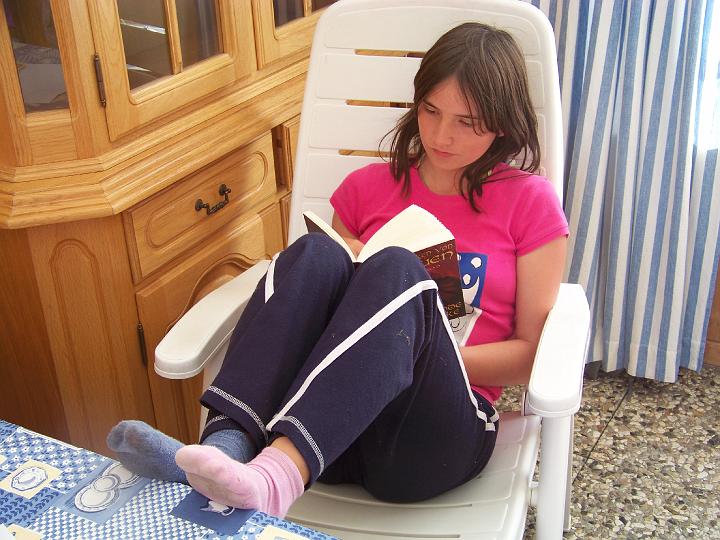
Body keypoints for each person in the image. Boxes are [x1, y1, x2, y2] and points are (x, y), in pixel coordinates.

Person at [107, 22, 568, 519]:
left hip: (431, 438)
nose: (441, 135)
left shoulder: (529, 202)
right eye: (431, 111)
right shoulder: (365, 189)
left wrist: (405, 352)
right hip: (332, 433)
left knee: (397, 268)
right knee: (317, 254)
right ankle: (228, 449)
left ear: (501, 124)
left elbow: (530, 354)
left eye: (467, 121)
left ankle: (272, 478)